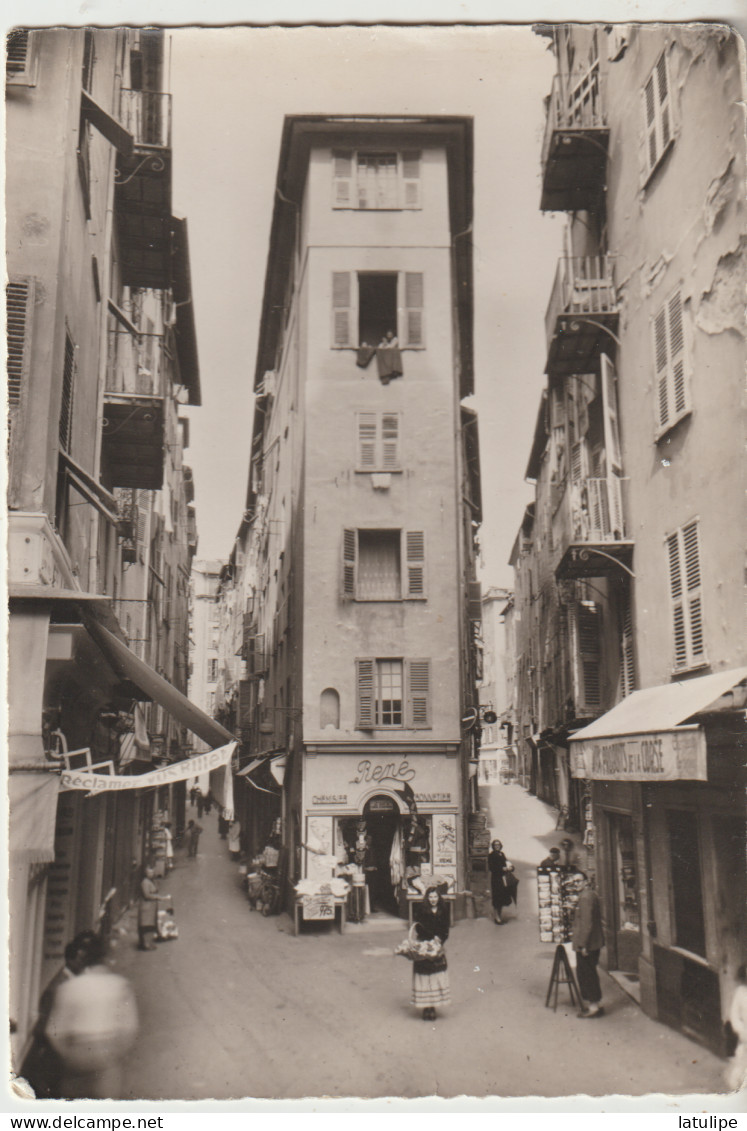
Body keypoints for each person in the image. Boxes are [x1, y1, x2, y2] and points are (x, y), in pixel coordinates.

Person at [46, 934, 138, 1099]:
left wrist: (68, 1055)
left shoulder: (68, 988)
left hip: (76, 1056)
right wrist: (114, 1055)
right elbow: (129, 1028)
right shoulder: (120, 986)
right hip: (106, 1056)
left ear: (82, 958)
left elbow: (53, 1032)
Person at [22, 935, 91, 1098]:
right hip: (51, 1054)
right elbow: (46, 1026)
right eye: (81, 958)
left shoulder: (71, 982)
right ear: (71, 960)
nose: (84, 963)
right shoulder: (60, 987)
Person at [411, 886, 451, 1022]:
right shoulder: (421, 911)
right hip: (424, 946)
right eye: (431, 897)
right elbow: (418, 927)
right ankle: (425, 1007)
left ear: (439, 898)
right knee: (424, 976)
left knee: (435, 977)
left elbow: (446, 929)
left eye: (435, 897)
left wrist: (440, 938)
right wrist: (430, 937)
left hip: (437, 946)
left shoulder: (443, 911)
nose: (433, 900)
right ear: (427, 898)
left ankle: (432, 1007)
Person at [572, 872, 605, 1018]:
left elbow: (587, 923)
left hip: (588, 944)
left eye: (579, 881)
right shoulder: (590, 895)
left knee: (587, 974)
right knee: (589, 972)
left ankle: (593, 1008)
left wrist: (583, 945)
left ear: (586, 881)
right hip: (592, 942)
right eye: (574, 882)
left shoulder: (585, 897)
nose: (576, 884)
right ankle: (595, 1005)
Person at [138, 863, 171, 950]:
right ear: (146, 873)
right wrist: (159, 897)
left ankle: (148, 943)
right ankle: (146, 945)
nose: (151, 874)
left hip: (151, 907)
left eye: (152, 872)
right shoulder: (145, 882)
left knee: (150, 925)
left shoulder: (151, 881)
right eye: (149, 873)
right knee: (146, 926)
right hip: (147, 907)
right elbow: (147, 895)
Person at [726, 965, 747, 1091]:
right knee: (741, 1066)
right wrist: (742, 1031)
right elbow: (734, 1015)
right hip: (745, 1036)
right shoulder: (740, 992)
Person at [488, 839, 512, 924]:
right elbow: (491, 868)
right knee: (496, 897)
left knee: (502, 897)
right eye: (495, 845)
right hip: (496, 879)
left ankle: (499, 915)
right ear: (493, 846)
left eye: (498, 845)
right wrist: (501, 869)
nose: (497, 846)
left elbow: (507, 863)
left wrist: (510, 867)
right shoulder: (491, 855)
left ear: (500, 846)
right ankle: (496, 917)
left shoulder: (502, 854)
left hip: (503, 879)